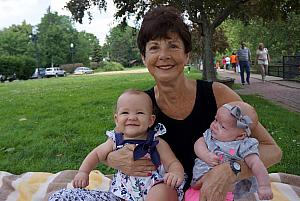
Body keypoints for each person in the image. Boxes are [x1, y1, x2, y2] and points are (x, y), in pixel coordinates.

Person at [49, 6, 281, 201]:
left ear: (187, 54)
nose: (163, 55)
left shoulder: (217, 95)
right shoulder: (141, 106)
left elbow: (272, 150)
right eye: (154, 47)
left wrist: (231, 169)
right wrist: (112, 158)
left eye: (172, 45)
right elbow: (112, 145)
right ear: (144, 57)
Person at [50, 89, 185, 201]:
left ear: (150, 120)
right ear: (116, 119)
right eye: (125, 113)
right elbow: (96, 154)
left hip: (153, 188)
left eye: (140, 113)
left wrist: (175, 173)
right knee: (61, 197)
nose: (132, 117)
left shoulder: (157, 141)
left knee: (164, 190)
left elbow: (172, 162)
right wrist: (83, 172)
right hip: (122, 195)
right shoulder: (115, 140)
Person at [185, 102, 273, 201]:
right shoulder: (210, 135)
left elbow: (256, 164)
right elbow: (198, 143)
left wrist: (264, 186)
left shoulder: (242, 146)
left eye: (222, 126)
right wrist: (205, 155)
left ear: (240, 136)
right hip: (198, 184)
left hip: (226, 190)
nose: (214, 125)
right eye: (215, 119)